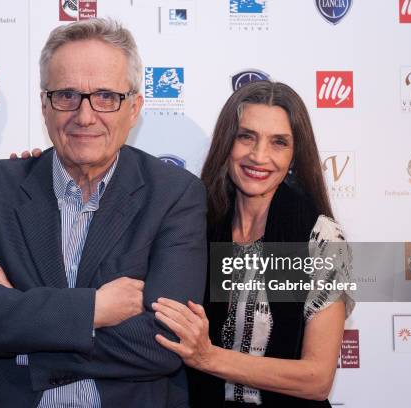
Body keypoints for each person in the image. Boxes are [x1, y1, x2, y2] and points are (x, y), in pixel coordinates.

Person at [0, 18, 207, 408]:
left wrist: (19, 319)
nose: (84, 115)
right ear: (44, 106)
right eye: (66, 95)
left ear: (133, 108)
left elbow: (162, 343)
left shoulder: (174, 195)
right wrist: (94, 309)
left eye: (105, 97)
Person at [151, 81, 355, 407]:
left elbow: (317, 379)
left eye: (279, 143)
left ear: (294, 155)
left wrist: (207, 356)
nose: (259, 156)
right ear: (226, 142)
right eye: (246, 136)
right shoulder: (194, 225)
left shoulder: (318, 236)